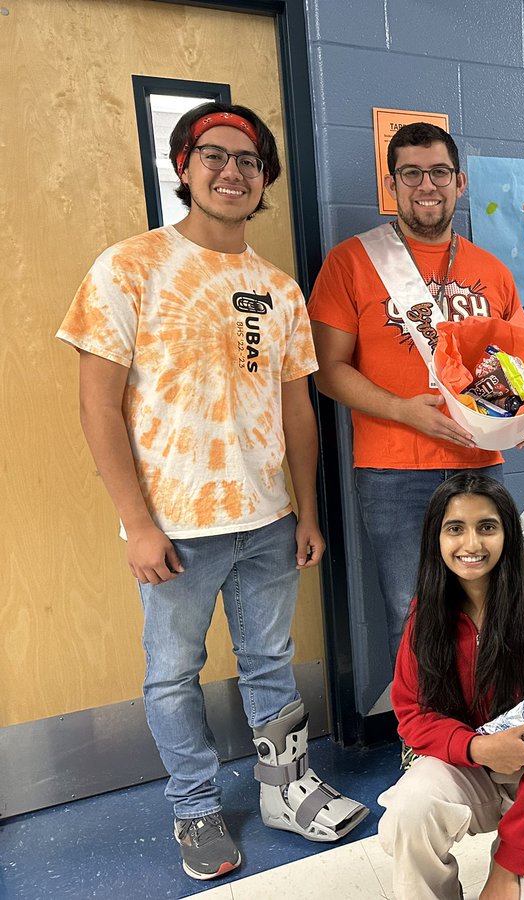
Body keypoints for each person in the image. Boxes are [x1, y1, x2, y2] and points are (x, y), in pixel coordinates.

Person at [56, 102, 366, 881]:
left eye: (250, 161)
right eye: (215, 156)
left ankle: (283, 790)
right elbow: (97, 404)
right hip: (174, 526)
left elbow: (297, 408)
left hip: (267, 520)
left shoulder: (277, 287)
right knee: (171, 672)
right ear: (185, 167)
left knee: (270, 660)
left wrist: (306, 510)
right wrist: (136, 524)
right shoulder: (128, 266)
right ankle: (193, 808)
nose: (233, 172)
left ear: (265, 180)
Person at [307, 122, 524, 660]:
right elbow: (326, 369)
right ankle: (422, 739)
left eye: (438, 172)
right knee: (412, 610)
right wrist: (400, 411)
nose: (426, 185)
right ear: (392, 185)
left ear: (459, 182)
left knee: (492, 601)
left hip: (480, 462)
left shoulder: (491, 271)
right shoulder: (351, 262)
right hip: (394, 471)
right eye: (410, 173)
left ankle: (487, 726)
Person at [378, 473, 524, 899]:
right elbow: (411, 712)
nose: (471, 544)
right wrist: (475, 748)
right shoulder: (428, 610)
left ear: (508, 533)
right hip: (470, 759)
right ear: (435, 539)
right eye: (455, 528)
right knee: (408, 811)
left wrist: (506, 867)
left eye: (487, 527)